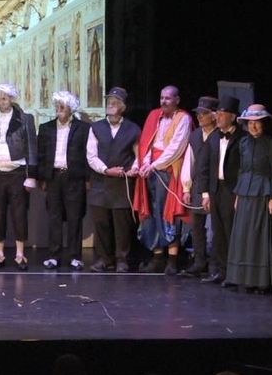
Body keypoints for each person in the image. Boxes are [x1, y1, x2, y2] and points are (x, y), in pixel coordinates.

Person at [0, 82, 38, 271]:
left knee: (19, 214)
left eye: (4, 98)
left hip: (17, 172)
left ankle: (20, 255)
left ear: (11, 99)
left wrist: (31, 175)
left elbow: (31, 147)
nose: (0, 102)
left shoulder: (25, 119)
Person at [132, 85, 191, 274]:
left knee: (169, 213)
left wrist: (154, 165)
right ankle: (157, 257)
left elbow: (176, 147)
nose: (164, 101)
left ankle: (172, 260)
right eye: (161, 98)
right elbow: (146, 144)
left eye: (168, 98)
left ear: (177, 100)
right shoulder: (154, 116)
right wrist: (143, 164)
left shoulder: (183, 118)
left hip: (169, 171)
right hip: (150, 171)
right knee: (151, 212)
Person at [225, 104, 272, 292]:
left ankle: (262, 281)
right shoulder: (243, 143)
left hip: (262, 194)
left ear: (264, 124)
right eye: (250, 123)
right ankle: (245, 279)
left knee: (259, 236)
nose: (253, 126)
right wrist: (237, 195)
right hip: (244, 193)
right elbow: (242, 170)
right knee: (243, 236)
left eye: (257, 123)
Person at [86, 87, 141, 273]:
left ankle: (122, 259)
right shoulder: (96, 127)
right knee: (101, 223)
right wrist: (106, 170)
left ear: (123, 107)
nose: (111, 104)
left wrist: (133, 170)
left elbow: (139, 155)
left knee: (122, 225)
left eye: (115, 102)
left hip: (122, 184)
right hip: (100, 182)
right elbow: (91, 156)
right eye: (109, 101)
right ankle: (104, 259)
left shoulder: (133, 129)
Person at [38, 91, 90, 270]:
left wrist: (87, 179)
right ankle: (54, 256)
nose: (58, 109)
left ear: (70, 108)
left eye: (62, 106)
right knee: (54, 218)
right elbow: (41, 154)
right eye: (57, 105)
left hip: (74, 178)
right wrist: (42, 178)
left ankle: (75, 257)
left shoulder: (83, 128)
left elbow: (87, 154)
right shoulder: (46, 128)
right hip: (53, 177)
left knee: (75, 217)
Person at [200, 96, 243, 285]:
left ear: (232, 117)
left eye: (222, 114)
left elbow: (243, 168)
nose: (217, 117)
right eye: (217, 113)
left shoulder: (241, 138)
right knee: (218, 232)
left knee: (230, 230)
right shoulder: (214, 137)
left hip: (232, 190)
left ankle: (234, 273)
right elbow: (204, 166)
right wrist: (205, 194)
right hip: (215, 189)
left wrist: (239, 193)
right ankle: (221, 271)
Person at [180, 96, 218, 277]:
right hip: (198, 186)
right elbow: (190, 161)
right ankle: (199, 261)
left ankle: (216, 265)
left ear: (214, 115)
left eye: (204, 113)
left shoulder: (219, 135)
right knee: (196, 226)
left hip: (215, 187)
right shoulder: (195, 136)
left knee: (216, 228)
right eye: (198, 114)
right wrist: (186, 188)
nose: (200, 117)